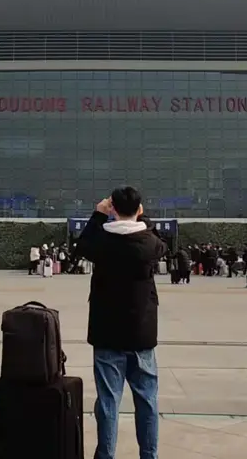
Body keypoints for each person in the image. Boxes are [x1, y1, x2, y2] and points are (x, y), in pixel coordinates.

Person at [75, 186, 168, 459]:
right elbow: (162, 243)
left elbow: (82, 245)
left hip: (107, 333)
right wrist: (143, 217)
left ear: (112, 208)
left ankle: (106, 454)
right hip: (142, 332)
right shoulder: (149, 242)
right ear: (138, 209)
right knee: (147, 401)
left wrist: (97, 214)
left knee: (108, 402)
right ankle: (149, 455)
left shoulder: (102, 241)